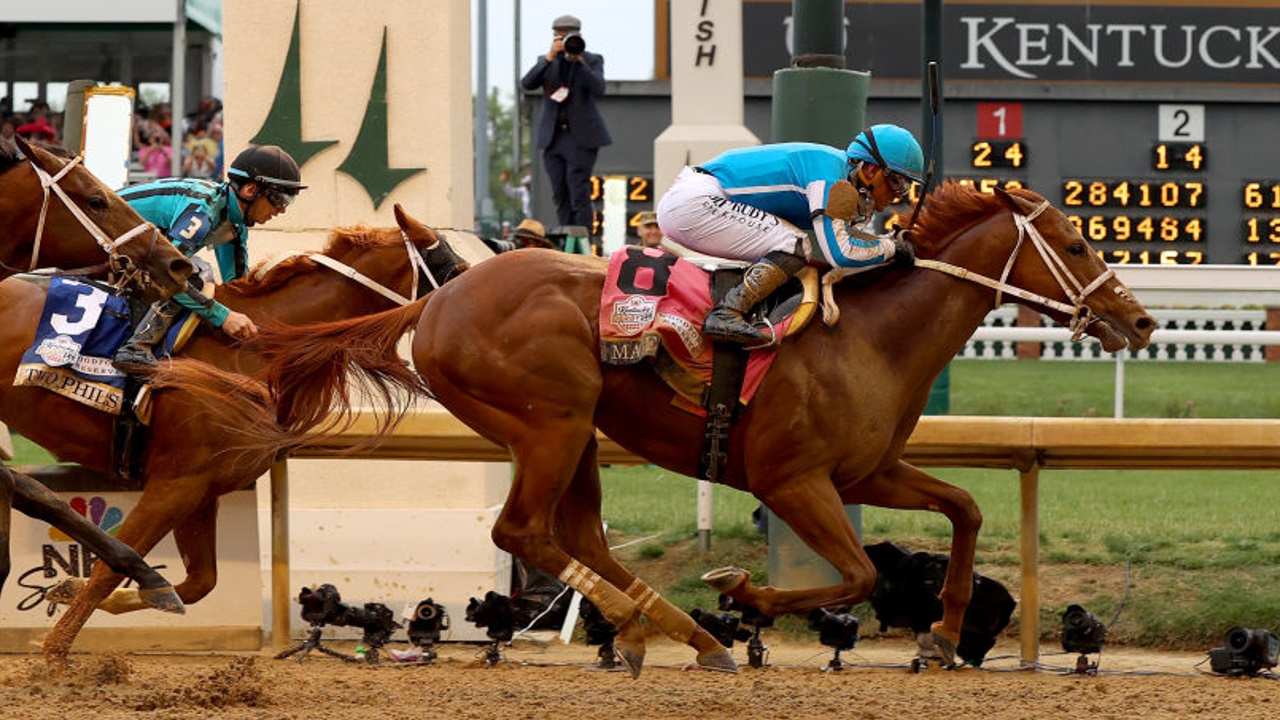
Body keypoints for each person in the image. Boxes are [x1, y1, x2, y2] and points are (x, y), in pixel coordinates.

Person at [656, 123, 925, 344]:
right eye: (896, 182)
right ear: (871, 171)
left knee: (791, 243)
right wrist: (891, 248)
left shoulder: (841, 174)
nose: (899, 193)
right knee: (795, 244)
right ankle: (726, 313)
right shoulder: (830, 177)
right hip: (695, 201)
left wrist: (888, 242)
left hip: (697, 198)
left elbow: (853, 241)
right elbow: (841, 253)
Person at [112, 144, 306, 370]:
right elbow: (168, 272)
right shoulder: (204, 208)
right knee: (194, 275)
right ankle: (136, 347)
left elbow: (238, 287)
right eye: (280, 200)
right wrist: (223, 317)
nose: (281, 210)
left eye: (288, 202)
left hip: (131, 245)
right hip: (100, 231)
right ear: (250, 190)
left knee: (202, 275)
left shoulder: (234, 223)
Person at [520, 14, 611, 233]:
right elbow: (527, 83)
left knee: (577, 189)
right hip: (553, 138)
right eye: (560, 35)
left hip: (581, 137)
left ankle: (583, 237)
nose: (565, 39)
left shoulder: (591, 59)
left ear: (579, 34)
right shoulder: (547, 61)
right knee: (559, 192)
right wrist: (550, 57)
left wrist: (578, 61)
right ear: (554, 37)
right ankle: (565, 236)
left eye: (570, 34)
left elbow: (599, 87)